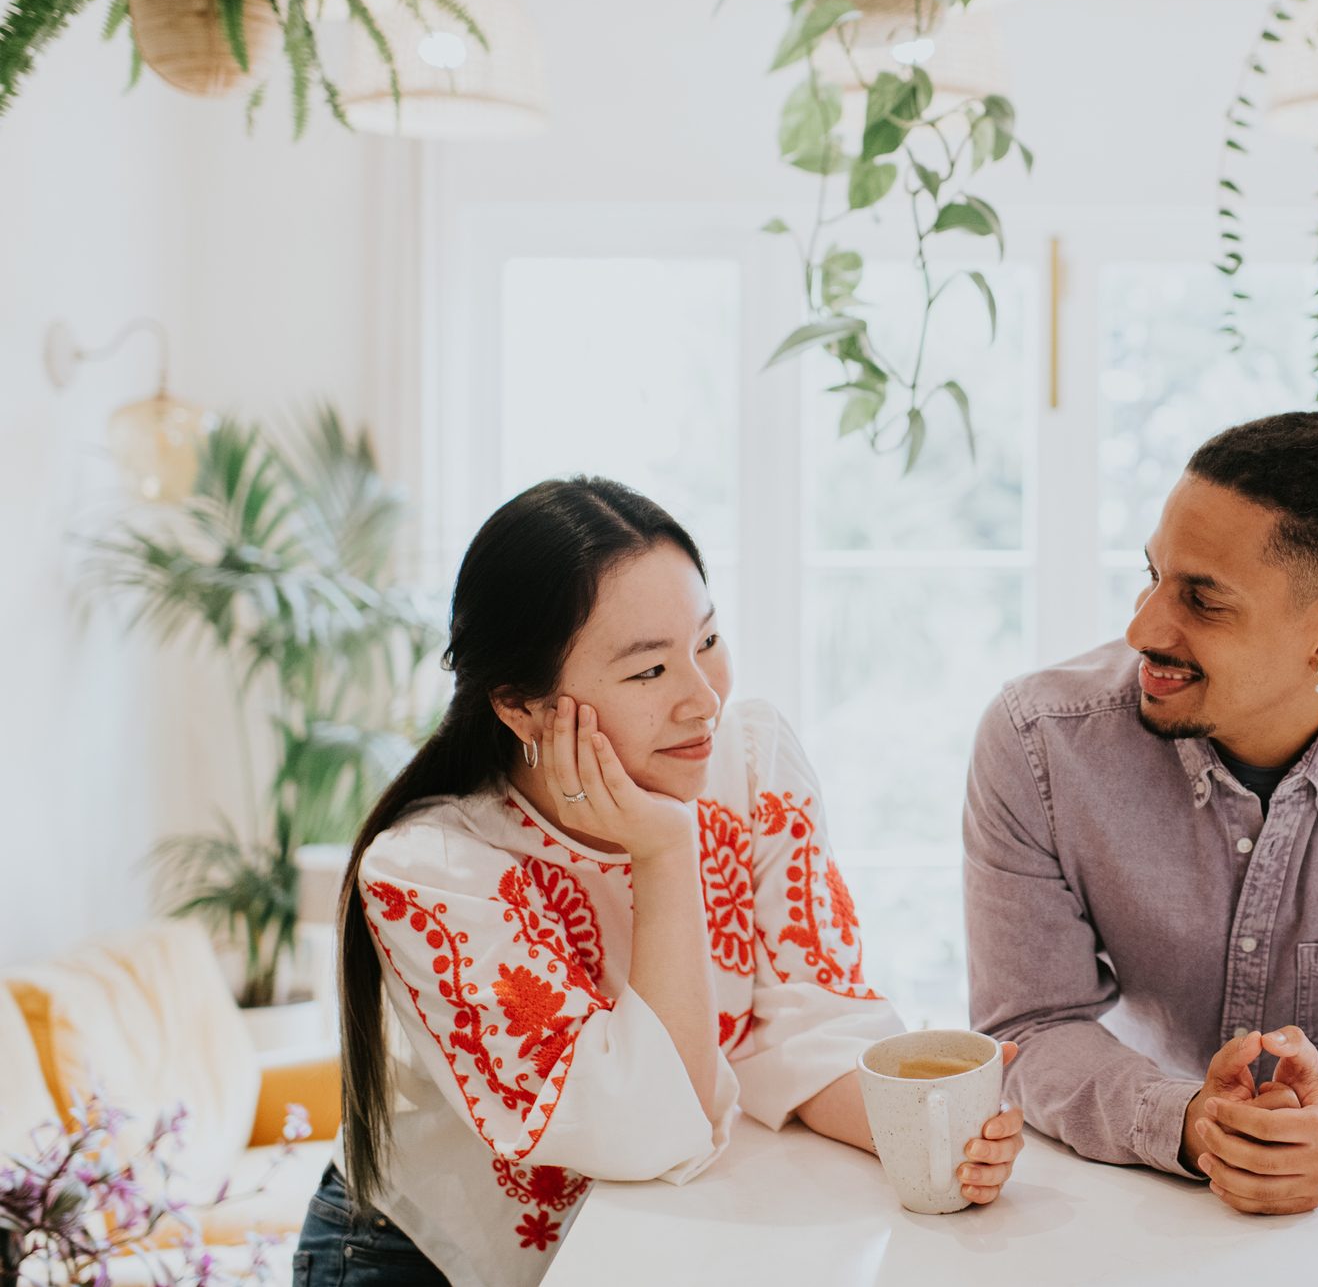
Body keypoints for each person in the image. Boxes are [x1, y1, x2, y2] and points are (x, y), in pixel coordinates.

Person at [302, 477, 1025, 1287]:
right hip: (424, 1257)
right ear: (523, 707)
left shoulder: (748, 760)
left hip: (633, 1244)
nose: (703, 700)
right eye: (648, 671)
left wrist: (929, 1141)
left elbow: (796, 1019)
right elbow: (648, 1130)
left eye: (707, 641)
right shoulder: (433, 871)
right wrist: (665, 852)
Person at [964, 411, 1318, 1216]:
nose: (1141, 627)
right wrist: (1186, 1122)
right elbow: (1031, 1021)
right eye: (1151, 575)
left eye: (1202, 602)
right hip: (1105, 1202)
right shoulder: (1038, 741)